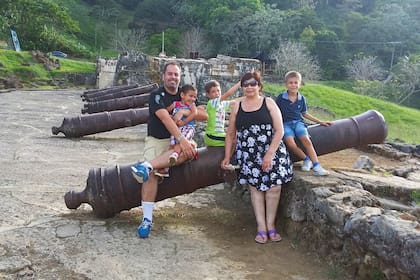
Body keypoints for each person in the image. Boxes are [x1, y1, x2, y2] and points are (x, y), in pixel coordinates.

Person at [130, 61, 208, 238]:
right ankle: (147, 220)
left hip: (181, 139)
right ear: (164, 76)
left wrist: (185, 113)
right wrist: (181, 139)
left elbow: (204, 114)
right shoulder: (157, 95)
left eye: (176, 75)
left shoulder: (185, 94)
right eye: (170, 74)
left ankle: (148, 165)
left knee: (189, 151)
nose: (173, 77)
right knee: (151, 177)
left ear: (179, 78)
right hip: (158, 139)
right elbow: (166, 119)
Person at [221, 71, 293, 244]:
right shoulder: (237, 106)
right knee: (256, 189)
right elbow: (231, 134)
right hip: (249, 152)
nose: (249, 87)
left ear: (259, 86)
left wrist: (269, 154)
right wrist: (227, 156)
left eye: (253, 84)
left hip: (272, 150)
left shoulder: (268, 103)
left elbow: (280, 130)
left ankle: (271, 226)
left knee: (274, 188)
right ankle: (261, 227)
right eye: (245, 84)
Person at [275, 70, 332, 176]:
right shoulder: (281, 98)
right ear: (286, 84)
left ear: (300, 84)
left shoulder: (301, 99)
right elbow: (275, 112)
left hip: (298, 123)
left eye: (296, 82)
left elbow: (305, 114)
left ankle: (317, 165)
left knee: (306, 140)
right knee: (290, 143)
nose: (293, 85)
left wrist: (320, 121)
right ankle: (306, 159)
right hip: (286, 124)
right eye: (290, 83)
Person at [204, 80, 241, 147]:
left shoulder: (222, 104)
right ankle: (227, 157)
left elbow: (235, 101)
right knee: (235, 139)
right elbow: (228, 94)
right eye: (213, 92)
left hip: (219, 134)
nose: (217, 93)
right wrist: (240, 83)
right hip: (212, 136)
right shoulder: (212, 103)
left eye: (218, 91)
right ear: (208, 95)